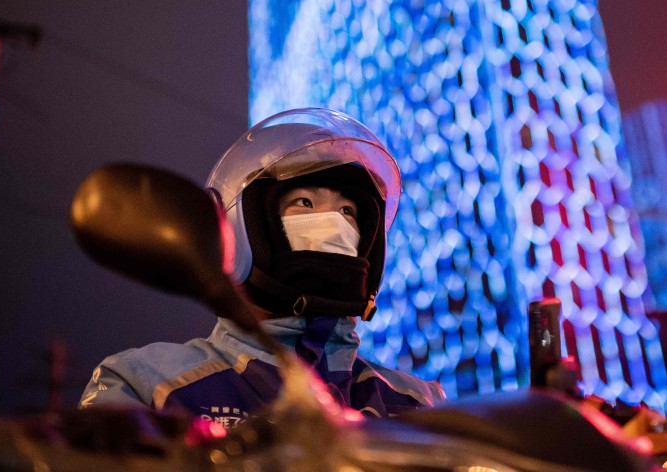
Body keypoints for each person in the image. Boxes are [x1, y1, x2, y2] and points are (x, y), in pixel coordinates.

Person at [79, 108, 444, 426]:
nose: (334, 222)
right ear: (240, 231)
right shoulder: (146, 384)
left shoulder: (418, 403)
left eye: (348, 211)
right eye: (304, 202)